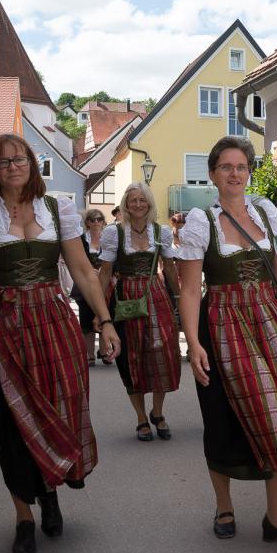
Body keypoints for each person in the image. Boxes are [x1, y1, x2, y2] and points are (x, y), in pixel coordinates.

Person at [0, 134, 120, 553]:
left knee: (61, 405)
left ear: (32, 164)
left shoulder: (56, 209)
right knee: (9, 422)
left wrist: (105, 320)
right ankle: (23, 514)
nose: (13, 167)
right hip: (0, 329)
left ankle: (50, 492)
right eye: (4, 162)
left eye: (20, 159)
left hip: (51, 321)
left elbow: (82, 270)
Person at [178, 136, 277, 548]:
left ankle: (276, 517)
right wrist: (193, 343)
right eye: (226, 167)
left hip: (271, 320)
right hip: (222, 322)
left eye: (241, 166)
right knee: (222, 418)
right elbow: (190, 289)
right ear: (213, 174)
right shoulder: (200, 222)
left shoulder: (266, 213)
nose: (234, 174)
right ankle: (224, 505)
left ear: (249, 172)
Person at [98, 184, 181, 441]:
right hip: (125, 297)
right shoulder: (114, 233)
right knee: (131, 358)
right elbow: (105, 272)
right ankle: (141, 418)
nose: (137, 204)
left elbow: (169, 268)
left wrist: (178, 298)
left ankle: (158, 412)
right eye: (132, 200)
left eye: (142, 200)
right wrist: (99, 310)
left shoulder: (161, 232)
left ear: (149, 203)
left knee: (163, 353)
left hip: (156, 294)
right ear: (125, 203)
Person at [74, 208, 107, 364]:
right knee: (86, 319)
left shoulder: (108, 238)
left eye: (99, 219)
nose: (96, 222)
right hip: (85, 284)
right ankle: (89, 354)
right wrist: (89, 270)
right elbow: (76, 259)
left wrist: (104, 270)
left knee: (105, 315)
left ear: (103, 221)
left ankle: (104, 350)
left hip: (104, 283)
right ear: (87, 222)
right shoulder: (81, 239)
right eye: (92, 220)